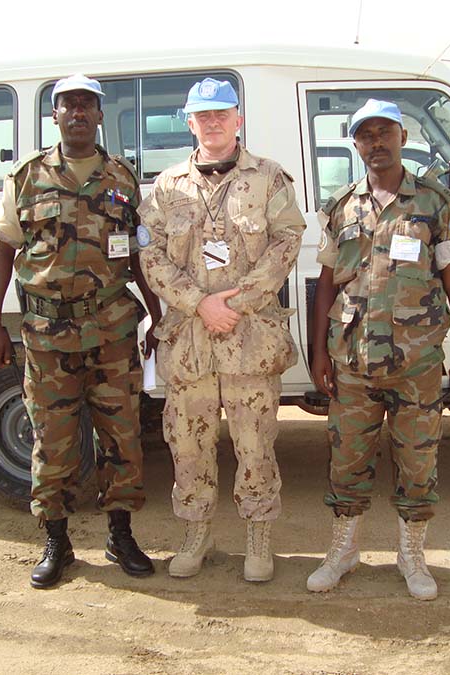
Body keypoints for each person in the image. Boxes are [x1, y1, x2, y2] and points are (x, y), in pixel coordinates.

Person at [0, 74, 162, 589]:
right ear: (55, 115)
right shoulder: (26, 177)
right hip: (47, 336)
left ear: (100, 115)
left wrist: (156, 315)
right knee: (54, 441)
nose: (78, 113)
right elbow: (3, 252)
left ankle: (120, 535)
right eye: (68, 105)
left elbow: (137, 256)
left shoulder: (123, 179)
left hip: (111, 331)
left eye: (87, 105)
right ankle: (56, 542)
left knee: (122, 437)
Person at [306, 99, 450, 600]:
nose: (376, 143)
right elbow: (327, 284)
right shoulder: (341, 206)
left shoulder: (434, 201)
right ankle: (343, 551)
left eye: (385, 133)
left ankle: (412, 556)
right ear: (356, 144)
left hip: (416, 362)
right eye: (366, 135)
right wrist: (319, 353)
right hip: (353, 361)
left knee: (418, 460)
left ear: (402, 137)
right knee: (347, 459)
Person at [137, 78, 305, 582]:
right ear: (190, 123)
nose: (212, 122)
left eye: (221, 114)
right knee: (188, 443)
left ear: (238, 120)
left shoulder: (270, 178)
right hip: (190, 342)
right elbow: (150, 254)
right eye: (202, 115)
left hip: (250, 339)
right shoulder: (167, 187)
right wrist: (199, 304)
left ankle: (258, 537)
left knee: (256, 442)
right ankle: (196, 533)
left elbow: (286, 243)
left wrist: (238, 302)